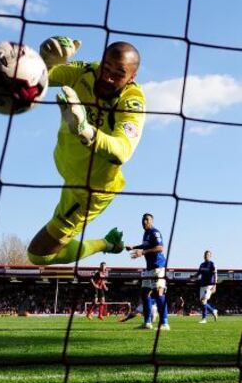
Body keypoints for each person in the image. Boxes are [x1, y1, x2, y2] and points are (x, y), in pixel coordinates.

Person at [27, 36, 146, 265]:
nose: (107, 76)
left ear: (132, 78)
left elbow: (123, 150)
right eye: (105, 67)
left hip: (89, 190)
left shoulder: (133, 101)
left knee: (38, 255)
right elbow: (39, 78)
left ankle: (106, 244)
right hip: (69, 169)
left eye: (119, 73)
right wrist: (44, 62)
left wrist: (86, 131)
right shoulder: (86, 72)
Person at [126, 213, 170, 330]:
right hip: (149, 268)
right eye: (143, 220)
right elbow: (145, 245)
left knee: (158, 293)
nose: (144, 221)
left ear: (152, 221)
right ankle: (147, 323)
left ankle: (165, 323)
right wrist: (134, 247)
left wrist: (142, 252)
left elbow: (160, 247)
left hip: (158, 267)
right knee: (145, 294)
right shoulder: (146, 234)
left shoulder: (155, 232)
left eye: (147, 219)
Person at [191, 250, 218, 324]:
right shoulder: (202, 265)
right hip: (202, 285)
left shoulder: (212, 264)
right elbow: (198, 273)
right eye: (205, 255)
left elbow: (215, 274)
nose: (206, 256)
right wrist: (193, 276)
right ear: (204, 256)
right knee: (203, 302)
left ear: (210, 256)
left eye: (208, 255)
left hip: (209, 285)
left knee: (203, 301)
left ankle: (204, 319)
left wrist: (215, 285)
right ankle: (213, 311)